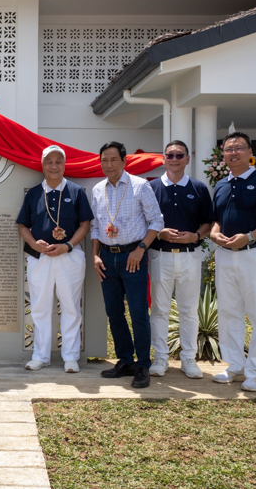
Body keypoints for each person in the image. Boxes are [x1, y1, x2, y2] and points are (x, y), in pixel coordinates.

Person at [210, 132, 256, 392]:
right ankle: (235, 366)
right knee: (229, 313)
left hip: (254, 255)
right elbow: (217, 218)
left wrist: (250, 236)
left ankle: (255, 372)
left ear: (249, 151)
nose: (233, 152)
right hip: (224, 256)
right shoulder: (221, 184)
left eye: (238, 148)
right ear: (223, 154)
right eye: (228, 148)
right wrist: (213, 232)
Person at [91, 141, 164, 388]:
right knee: (113, 311)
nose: (108, 164)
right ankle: (125, 360)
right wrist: (95, 255)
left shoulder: (140, 186)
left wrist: (141, 249)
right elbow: (95, 226)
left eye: (113, 159)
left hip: (133, 256)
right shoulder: (98, 189)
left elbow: (156, 221)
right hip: (107, 258)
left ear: (124, 161)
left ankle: (143, 365)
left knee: (138, 312)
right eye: (104, 160)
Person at [17, 145, 93, 373]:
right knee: (40, 306)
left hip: (69, 257)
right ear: (42, 165)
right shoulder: (33, 194)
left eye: (58, 161)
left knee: (70, 306)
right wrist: (33, 243)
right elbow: (22, 225)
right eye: (49, 161)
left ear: (64, 165)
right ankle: (40, 355)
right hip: (39, 258)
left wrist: (68, 245)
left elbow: (85, 224)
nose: (54, 166)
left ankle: (70, 357)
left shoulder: (76, 191)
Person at [148, 140, 214, 379]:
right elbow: (142, 220)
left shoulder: (198, 188)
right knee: (159, 310)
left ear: (187, 159)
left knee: (189, 310)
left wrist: (196, 235)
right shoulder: (151, 188)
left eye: (179, 155)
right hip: (159, 256)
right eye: (170, 155)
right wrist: (159, 232)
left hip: (190, 257)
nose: (174, 159)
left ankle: (188, 359)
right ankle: (160, 358)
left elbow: (208, 221)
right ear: (163, 159)